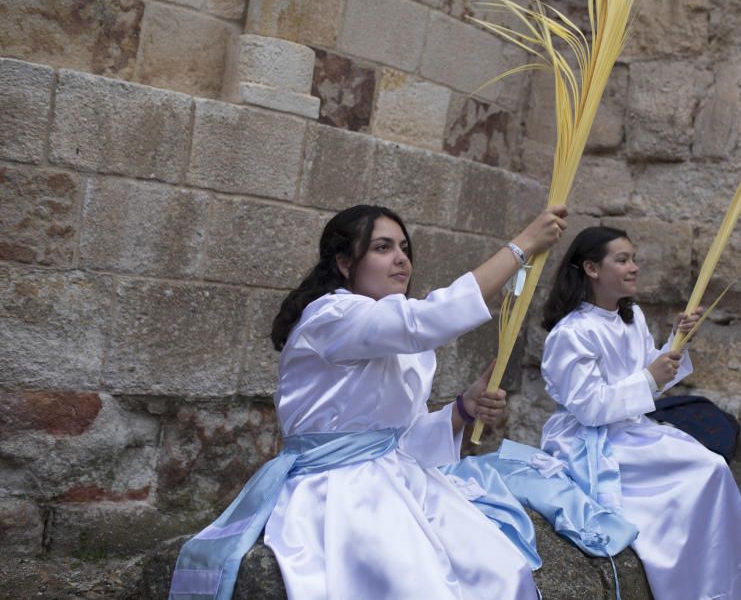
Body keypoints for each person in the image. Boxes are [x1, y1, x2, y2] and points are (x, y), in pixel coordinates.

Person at [170, 203, 566, 600]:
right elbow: (427, 320)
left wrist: (464, 407)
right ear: (345, 262)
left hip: (397, 478)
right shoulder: (332, 316)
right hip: (340, 488)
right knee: (417, 585)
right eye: (382, 247)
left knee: (500, 569)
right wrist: (523, 246)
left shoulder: (385, 330)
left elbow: (401, 441)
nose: (401, 259)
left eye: (404, 248)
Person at [538, 226, 741, 600]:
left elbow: (649, 374)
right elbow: (589, 407)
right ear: (592, 269)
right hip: (589, 438)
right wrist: (647, 379)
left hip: (629, 428)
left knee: (713, 467)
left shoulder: (631, 317)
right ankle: (696, 586)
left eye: (634, 258)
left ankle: (736, 581)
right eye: (622, 260)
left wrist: (676, 341)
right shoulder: (571, 333)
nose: (634, 267)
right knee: (699, 474)